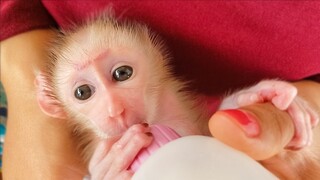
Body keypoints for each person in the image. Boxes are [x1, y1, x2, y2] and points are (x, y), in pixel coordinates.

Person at [1, 1, 319, 179]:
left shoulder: (190, 106)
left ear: (155, 56)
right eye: (84, 93)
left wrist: (257, 102)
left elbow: (217, 135)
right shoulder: (101, 162)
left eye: (122, 73)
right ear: (54, 104)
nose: (114, 107)